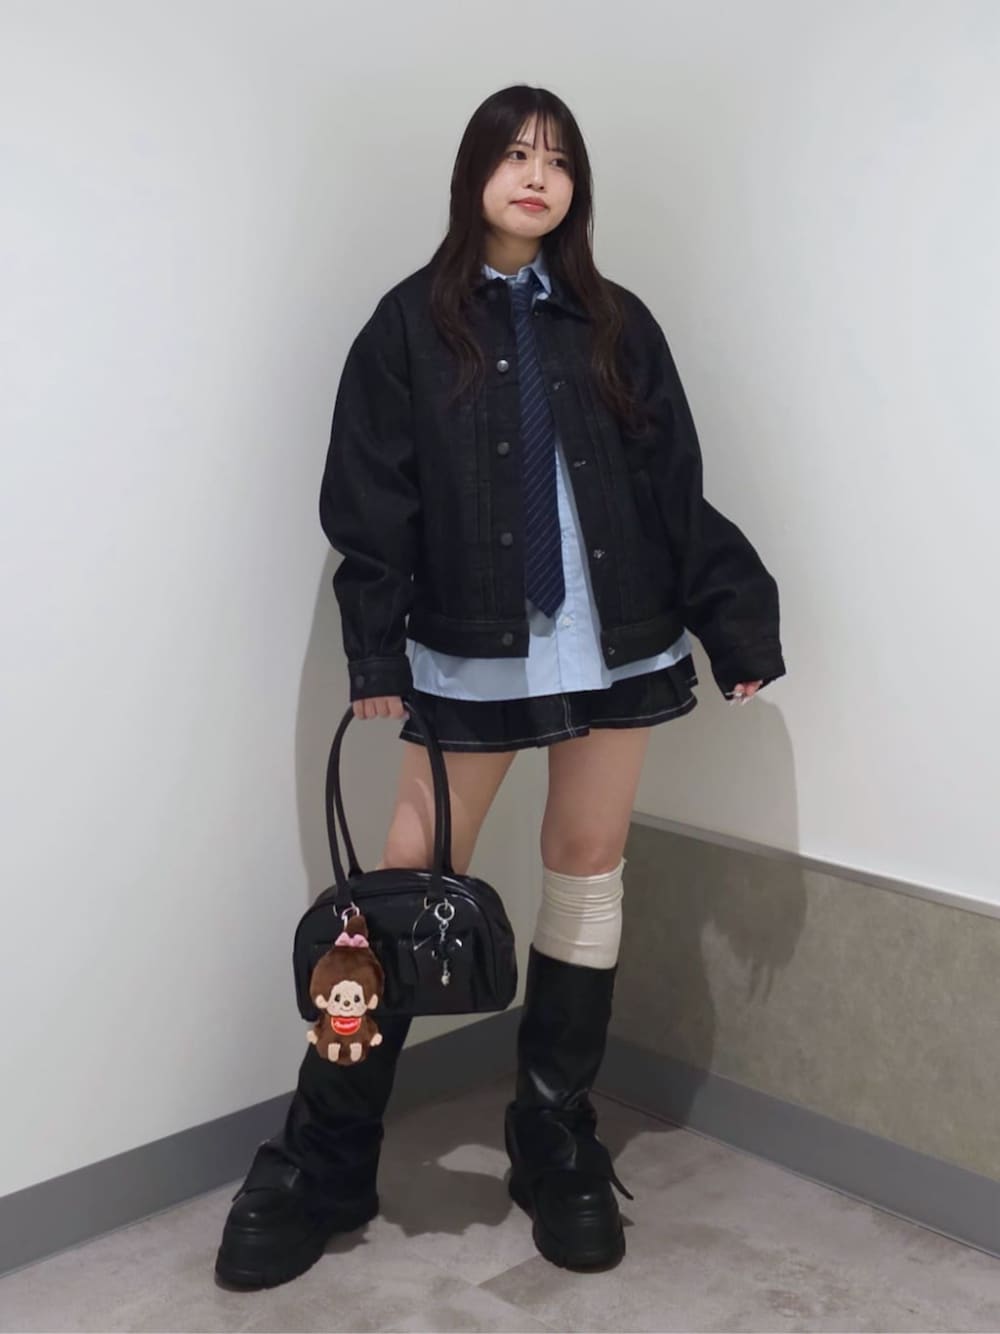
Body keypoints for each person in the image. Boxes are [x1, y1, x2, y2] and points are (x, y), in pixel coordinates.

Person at [215, 83, 786, 1289]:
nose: (537, 176)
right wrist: (376, 651)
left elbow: (671, 485)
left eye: (559, 160)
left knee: (586, 867)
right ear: (473, 171)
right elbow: (369, 498)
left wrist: (733, 620)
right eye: (515, 154)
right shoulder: (408, 326)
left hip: (615, 642)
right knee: (401, 889)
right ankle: (326, 1153)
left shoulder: (616, 322)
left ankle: (551, 1132)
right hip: (472, 649)